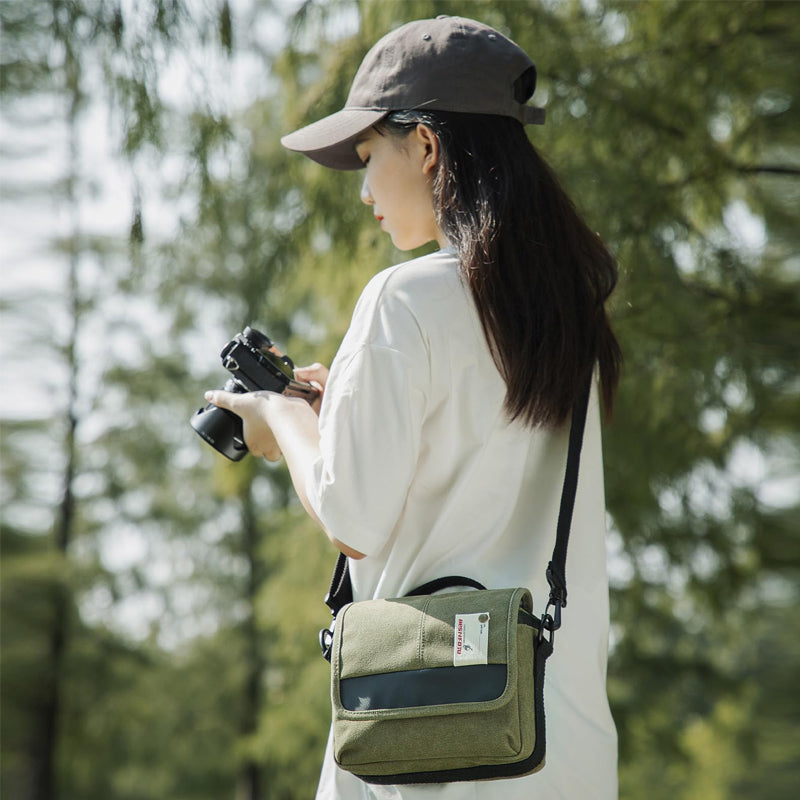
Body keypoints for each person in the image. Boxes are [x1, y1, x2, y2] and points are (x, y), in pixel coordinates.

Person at [205, 15, 622, 800]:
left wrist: (283, 420)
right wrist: (349, 411)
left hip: (430, 744)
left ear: (426, 146)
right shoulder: (567, 318)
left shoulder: (405, 298)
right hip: (561, 747)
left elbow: (352, 518)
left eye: (367, 158)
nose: (363, 190)